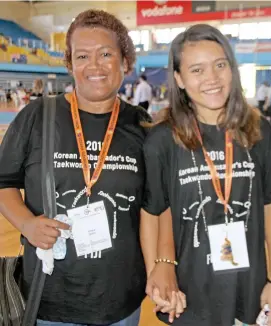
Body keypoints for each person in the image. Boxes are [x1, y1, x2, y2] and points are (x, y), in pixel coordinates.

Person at [0, 9, 155, 326]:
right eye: (82, 56)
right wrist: (27, 223)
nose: (94, 66)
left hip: (120, 300)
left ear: (124, 62)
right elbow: (3, 182)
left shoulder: (141, 126)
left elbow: (156, 208)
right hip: (50, 299)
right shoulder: (37, 116)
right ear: (70, 64)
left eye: (106, 54)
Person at [141, 24, 271, 326]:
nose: (212, 78)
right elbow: (154, 211)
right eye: (197, 70)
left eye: (220, 65)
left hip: (250, 288)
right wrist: (158, 270)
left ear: (232, 69)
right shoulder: (162, 140)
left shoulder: (259, 132)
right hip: (189, 293)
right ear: (179, 79)